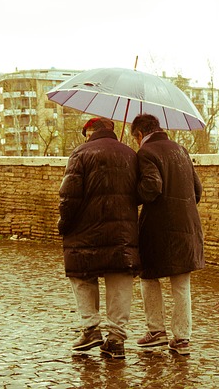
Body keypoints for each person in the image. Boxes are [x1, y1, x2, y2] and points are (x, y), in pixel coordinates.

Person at [58, 117, 140, 359]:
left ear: (90, 132)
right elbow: (141, 192)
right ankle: (116, 338)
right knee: (120, 278)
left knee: (81, 275)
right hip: (122, 231)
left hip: (86, 230)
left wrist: (64, 224)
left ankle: (91, 327)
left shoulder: (80, 153)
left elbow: (69, 195)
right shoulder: (130, 154)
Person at [130, 113, 205, 356]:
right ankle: (182, 338)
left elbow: (152, 186)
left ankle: (156, 331)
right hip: (187, 226)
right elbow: (197, 190)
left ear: (140, 134)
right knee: (181, 283)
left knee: (148, 276)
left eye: (135, 139)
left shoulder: (146, 153)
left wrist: (133, 195)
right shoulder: (181, 150)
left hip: (158, 227)